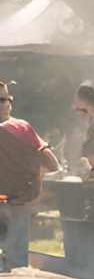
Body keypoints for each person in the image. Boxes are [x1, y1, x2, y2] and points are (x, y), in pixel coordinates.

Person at [0, 80, 60, 267]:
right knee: (16, 261)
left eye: (6, 99)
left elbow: (50, 162)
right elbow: (52, 164)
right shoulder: (21, 128)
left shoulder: (22, 128)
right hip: (16, 202)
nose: (5, 103)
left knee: (15, 262)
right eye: (1, 99)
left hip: (16, 203)